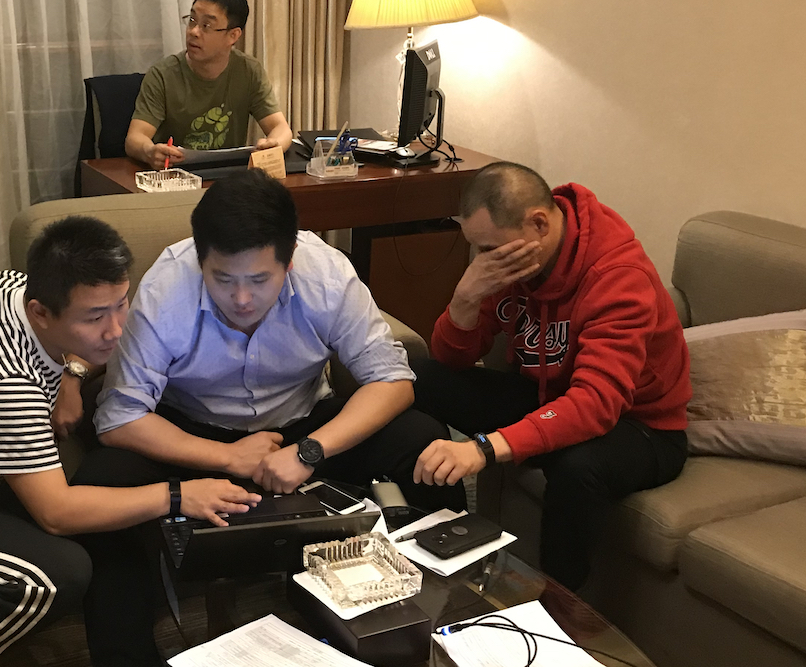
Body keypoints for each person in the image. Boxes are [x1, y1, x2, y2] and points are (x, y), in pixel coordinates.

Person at [0, 216, 259, 667]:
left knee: (96, 521)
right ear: (40, 313)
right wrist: (179, 495)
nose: (116, 329)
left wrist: (71, 375)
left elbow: (70, 345)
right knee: (53, 576)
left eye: (121, 304)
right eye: (95, 317)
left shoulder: (3, 288)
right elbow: (57, 513)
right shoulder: (7, 386)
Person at [71, 168, 462, 664]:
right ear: (200, 259)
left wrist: (310, 451)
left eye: (259, 280)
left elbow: (393, 381)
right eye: (222, 279)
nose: (241, 299)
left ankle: (441, 623)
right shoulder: (166, 288)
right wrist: (227, 457)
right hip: (193, 433)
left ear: (289, 260)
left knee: (424, 440)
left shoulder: (326, 274)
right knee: (105, 477)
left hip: (303, 428)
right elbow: (120, 416)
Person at [412, 161, 691, 591]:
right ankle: (426, 533)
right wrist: (464, 298)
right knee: (418, 377)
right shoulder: (514, 263)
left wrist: (484, 448)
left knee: (577, 469)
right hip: (549, 398)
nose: (483, 262)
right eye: (476, 249)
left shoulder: (618, 277)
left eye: (489, 249)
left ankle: (559, 608)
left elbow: (596, 403)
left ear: (539, 224)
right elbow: (451, 360)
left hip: (640, 427)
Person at [124, 0, 293, 168]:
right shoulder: (163, 74)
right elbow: (135, 138)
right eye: (192, 20)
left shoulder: (248, 71)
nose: (194, 31)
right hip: (176, 175)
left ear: (233, 36)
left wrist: (273, 145)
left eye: (206, 25)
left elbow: (281, 128)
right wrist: (149, 152)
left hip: (227, 175)